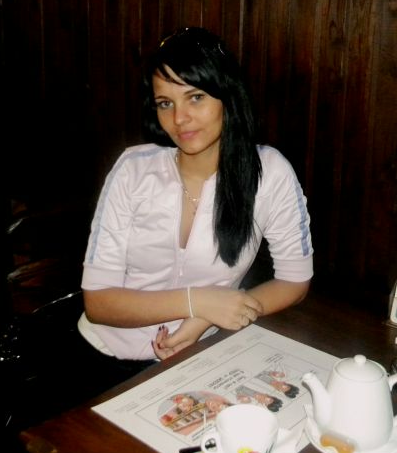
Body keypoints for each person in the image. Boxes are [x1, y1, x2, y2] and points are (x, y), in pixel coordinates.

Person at [78, 26, 313, 377]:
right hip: (105, 356)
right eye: (165, 103)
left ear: (227, 95)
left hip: (203, 354)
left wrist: (208, 317)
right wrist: (198, 301)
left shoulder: (270, 173)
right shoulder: (133, 169)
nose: (179, 118)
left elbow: (295, 281)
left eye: (196, 97)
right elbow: (98, 303)